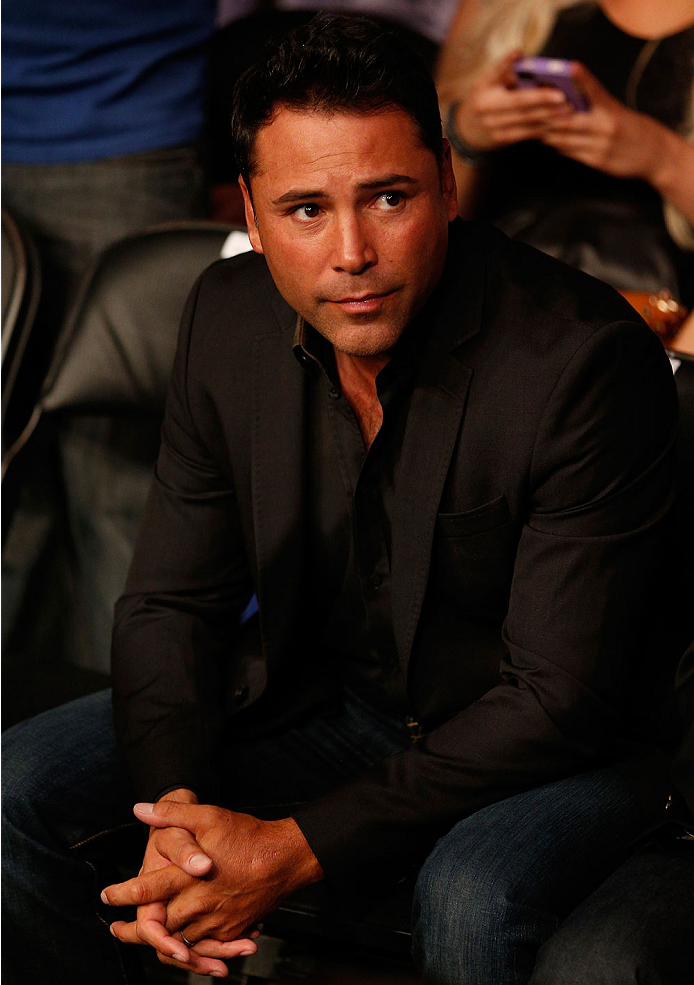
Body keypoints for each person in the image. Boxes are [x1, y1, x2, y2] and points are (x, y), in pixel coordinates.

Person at [1, 14, 687, 984]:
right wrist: (179, 815)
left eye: (389, 197)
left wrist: (292, 844)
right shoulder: (226, 314)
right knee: (11, 789)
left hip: (568, 743)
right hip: (335, 703)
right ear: (248, 205)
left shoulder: (577, 362)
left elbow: (555, 701)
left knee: (471, 893)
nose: (351, 251)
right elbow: (169, 603)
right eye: (305, 209)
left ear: (446, 183)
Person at [436, 0, 694, 332]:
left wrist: (660, 156)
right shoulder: (499, 8)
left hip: (655, 323)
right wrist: (464, 132)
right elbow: (421, 211)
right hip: (492, 303)